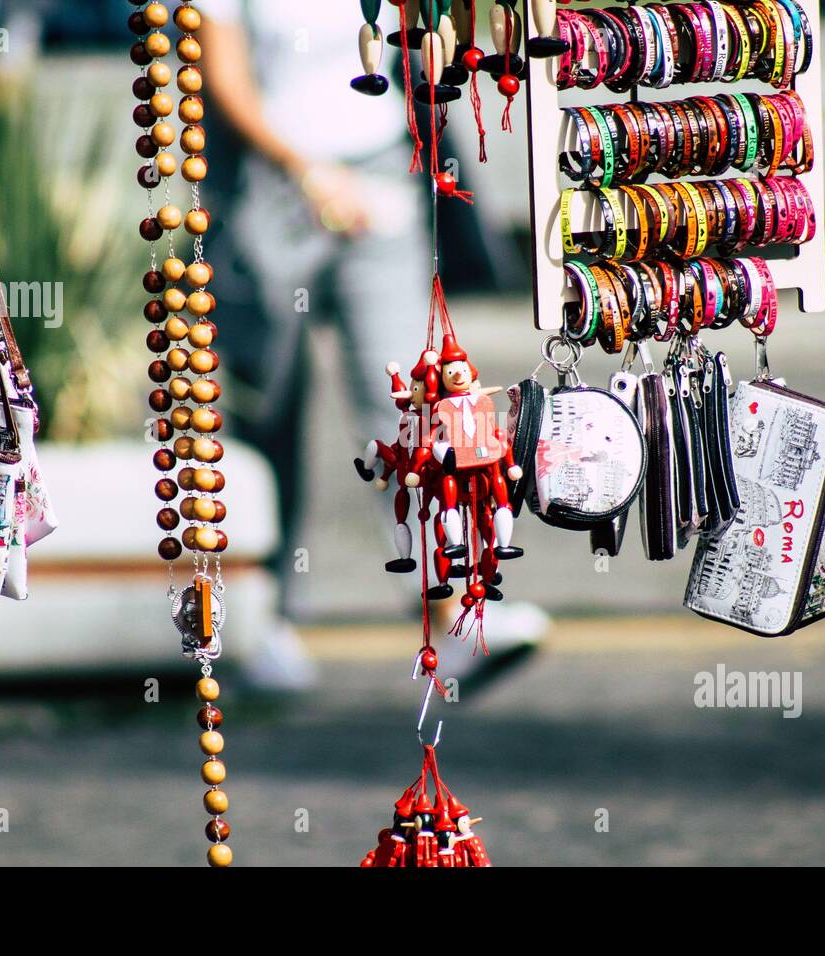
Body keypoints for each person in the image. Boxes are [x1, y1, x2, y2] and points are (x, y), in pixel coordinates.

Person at [195, 1, 549, 693]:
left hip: (379, 174)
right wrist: (307, 171)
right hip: (267, 190)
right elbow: (223, 77)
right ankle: (267, 618)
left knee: (410, 406)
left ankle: (452, 615)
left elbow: (436, 34)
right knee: (267, 412)